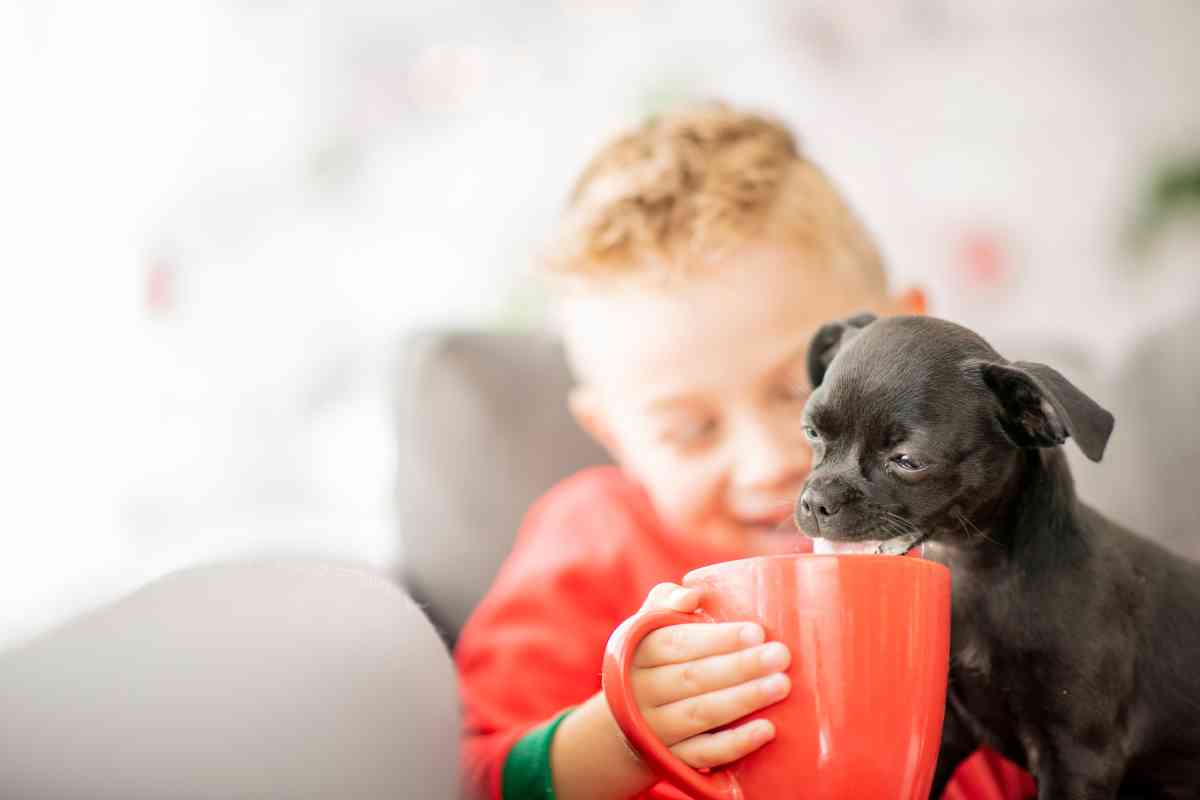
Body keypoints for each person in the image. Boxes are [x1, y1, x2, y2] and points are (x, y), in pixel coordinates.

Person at [456, 102, 1035, 800]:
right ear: (617, 437)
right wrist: (613, 739)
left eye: (806, 389)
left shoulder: (980, 532)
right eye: (690, 430)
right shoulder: (591, 544)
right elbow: (476, 780)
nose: (771, 463)